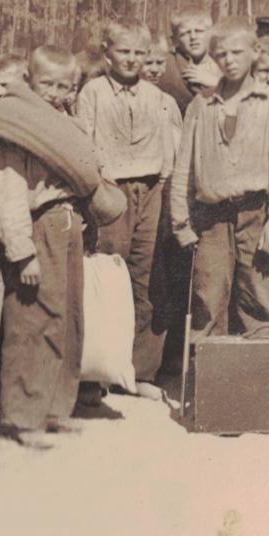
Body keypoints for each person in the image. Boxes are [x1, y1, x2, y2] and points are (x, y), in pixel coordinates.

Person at [169, 18, 269, 339]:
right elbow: (184, 167)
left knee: (263, 303)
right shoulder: (201, 105)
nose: (229, 61)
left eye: (237, 52)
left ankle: (263, 368)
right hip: (210, 219)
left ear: (254, 52)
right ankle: (208, 370)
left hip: (256, 215)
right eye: (222, 54)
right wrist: (181, 221)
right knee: (208, 301)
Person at [0, 49, 90, 439]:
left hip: (68, 224)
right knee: (30, 320)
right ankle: (21, 414)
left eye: (64, 86)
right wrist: (22, 251)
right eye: (47, 84)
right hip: (36, 227)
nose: (55, 93)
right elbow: (8, 195)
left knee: (65, 319)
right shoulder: (17, 129)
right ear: (28, 81)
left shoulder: (68, 124)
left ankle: (54, 408)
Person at [77, 23, 177, 398]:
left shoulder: (158, 97)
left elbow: (168, 147)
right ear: (107, 52)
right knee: (107, 273)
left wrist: (162, 186)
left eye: (139, 53)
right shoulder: (93, 93)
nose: (132, 59)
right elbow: (84, 143)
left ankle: (140, 372)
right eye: (124, 51)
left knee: (145, 275)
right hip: (109, 189)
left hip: (150, 189)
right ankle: (95, 373)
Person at [157, 10, 221, 114]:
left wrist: (215, 82)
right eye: (185, 33)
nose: (193, 37)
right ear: (175, 39)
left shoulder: (223, 62)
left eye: (199, 31)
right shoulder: (168, 64)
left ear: (211, 34)